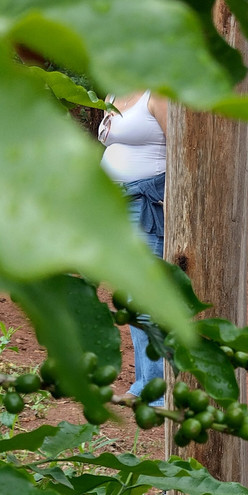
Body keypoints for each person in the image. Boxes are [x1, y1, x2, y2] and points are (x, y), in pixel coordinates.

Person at [99, 90, 168, 401]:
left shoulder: (158, 94)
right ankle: (145, 384)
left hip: (146, 202)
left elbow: (181, 148)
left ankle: (157, 391)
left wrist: (176, 196)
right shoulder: (114, 95)